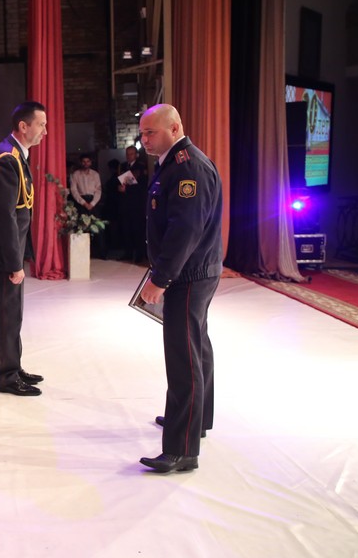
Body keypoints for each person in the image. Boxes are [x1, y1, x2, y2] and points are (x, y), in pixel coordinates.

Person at [137, 103, 223, 474]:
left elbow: (184, 230)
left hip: (188, 274)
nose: (144, 140)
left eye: (150, 132)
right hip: (195, 270)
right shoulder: (175, 163)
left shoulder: (187, 167)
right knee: (196, 345)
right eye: (142, 133)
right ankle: (195, 419)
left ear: (174, 128)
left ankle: (182, 449)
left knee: (183, 355)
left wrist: (161, 279)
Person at [0, 101, 47, 396]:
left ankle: (13, 365)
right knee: (9, 312)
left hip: (14, 247)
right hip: (6, 251)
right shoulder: (7, 158)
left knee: (14, 311)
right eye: (41, 125)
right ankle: (6, 375)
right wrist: (14, 263)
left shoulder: (16, 154)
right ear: (23, 126)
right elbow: (5, 215)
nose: (45, 131)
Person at [117, 145, 149, 263]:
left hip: (137, 203)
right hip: (125, 203)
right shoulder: (123, 166)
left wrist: (127, 189)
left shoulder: (141, 166)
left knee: (138, 229)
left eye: (131, 154)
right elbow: (121, 181)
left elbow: (142, 185)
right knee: (126, 229)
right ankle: (128, 253)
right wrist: (120, 188)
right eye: (127, 154)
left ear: (136, 155)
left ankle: (140, 254)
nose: (129, 156)